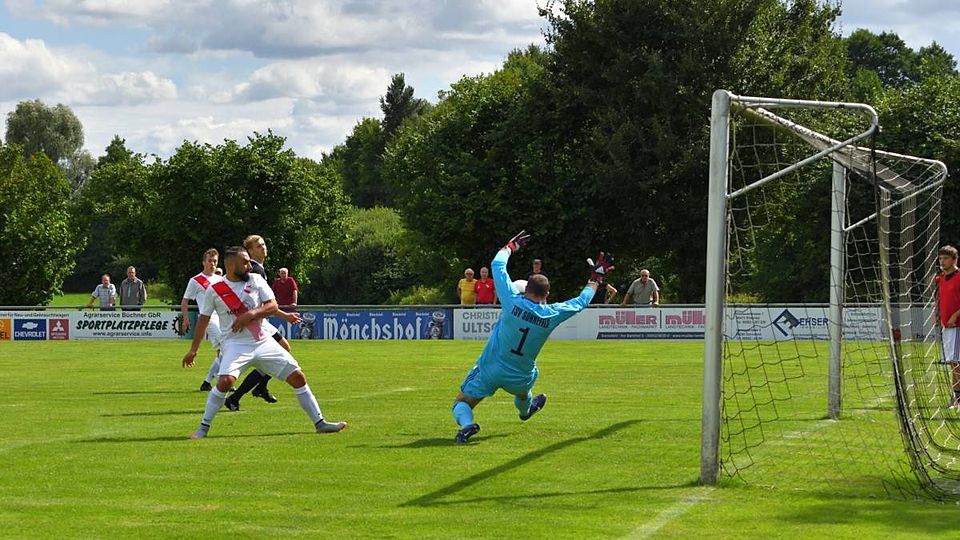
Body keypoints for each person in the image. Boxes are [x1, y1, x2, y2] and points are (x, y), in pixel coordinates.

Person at [181, 246, 346, 439]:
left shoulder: (256, 280)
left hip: (262, 341)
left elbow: (272, 306)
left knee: (298, 377)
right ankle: (203, 428)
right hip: (234, 344)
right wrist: (193, 350)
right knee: (225, 382)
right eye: (245, 262)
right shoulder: (214, 290)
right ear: (231, 265)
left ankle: (320, 423)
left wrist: (251, 314)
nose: (249, 265)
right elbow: (203, 320)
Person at [450, 231, 599, 443]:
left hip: (491, 369)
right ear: (547, 295)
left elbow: (497, 265)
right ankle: (525, 410)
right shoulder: (551, 314)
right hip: (521, 377)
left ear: (525, 288)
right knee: (522, 393)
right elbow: (581, 301)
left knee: (461, 403)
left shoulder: (511, 301)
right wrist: (596, 278)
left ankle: (467, 426)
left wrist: (510, 247)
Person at [223, 234, 298, 411]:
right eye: (258, 246)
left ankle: (256, 389)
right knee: (281, 352)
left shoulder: (259, 269)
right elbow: (266, 304)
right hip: (254, 323)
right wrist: (285, 316)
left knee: (283, 350)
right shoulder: (253, 271)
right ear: (249, 251)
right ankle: (237, 396)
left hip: (258, 320)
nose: (263, 248)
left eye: (264, 244)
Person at [180, 249, 224, 392]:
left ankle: (208, 382)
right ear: (203, 262)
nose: (213, 264)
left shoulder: (220, 280)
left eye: (215, 261)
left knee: (223, 351)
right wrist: (186, 319)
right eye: (210, 261)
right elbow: (184, 301)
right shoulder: (195, 280)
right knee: (225, 347)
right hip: (208, 319)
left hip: (222, 318)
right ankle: (220, 380)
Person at [935, 245, 960, 410]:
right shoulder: (941, 278)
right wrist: (938, 314)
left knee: (957, 363)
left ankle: (958, 399)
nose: (942, 261)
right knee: (953, 363)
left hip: (957, 326)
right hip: (947, 327)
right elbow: (941, 299)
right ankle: (956, 398)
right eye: (940, 258)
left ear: (954, 260)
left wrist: (955, 315)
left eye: (945, 258)